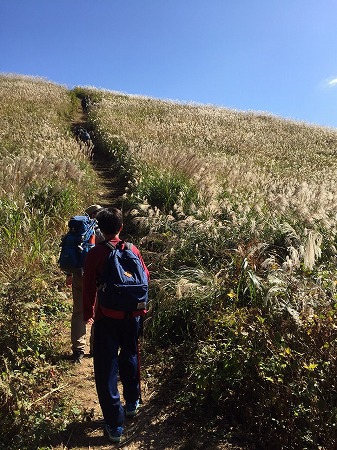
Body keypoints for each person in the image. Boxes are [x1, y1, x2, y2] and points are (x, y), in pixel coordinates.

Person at [82, 207, 150, 444]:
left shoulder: (96, 253)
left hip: (106, 317)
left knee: (106, 368)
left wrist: (88, 314)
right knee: (130, 355)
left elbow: (89, 286)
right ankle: (132, 402)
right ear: (121, 227)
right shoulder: (133, 249)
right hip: (133, 316)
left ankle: (114, 423)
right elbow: (146, 278)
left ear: (99, 229)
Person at [65, 204, 104, 363]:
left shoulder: (76, 230)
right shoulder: (99, 231)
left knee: (78, 312)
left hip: (78, 275)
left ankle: (78, 350)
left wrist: (69, 274)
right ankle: (95, 347)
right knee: (98, 311)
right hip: (96, 277)